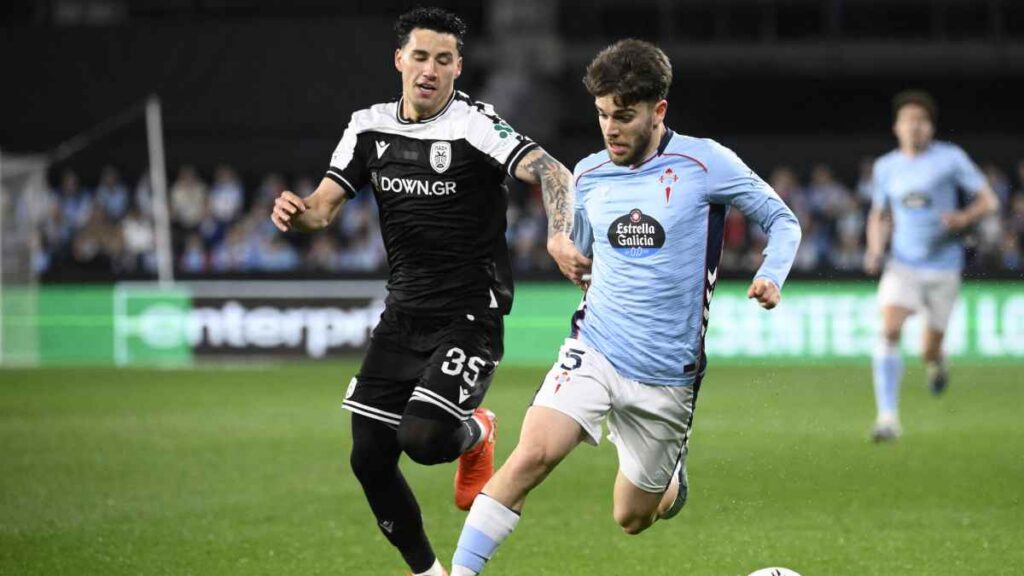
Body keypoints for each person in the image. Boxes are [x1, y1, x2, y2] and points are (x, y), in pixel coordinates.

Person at [450, 39, 801, 575]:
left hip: (666, 377)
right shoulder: (589, 174)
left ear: (658, 111)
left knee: (632, 517)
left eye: (624, 116)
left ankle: (670, 478)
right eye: (601, 115)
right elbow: (583, 251)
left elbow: (783, 221)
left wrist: (770, 275)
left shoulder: (705, 164)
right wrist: (568, 249)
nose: (610, 128)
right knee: (532, 456)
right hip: (596, 347)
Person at [268, 7, 588, 576]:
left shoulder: (475, 125)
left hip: (471, 312)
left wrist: (559, 236)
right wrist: (297, 214)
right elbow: (321, 209)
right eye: (420, 57)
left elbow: (553, 171)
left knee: (421, 438)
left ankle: (476, 431)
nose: (430, 70)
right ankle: (428, 573)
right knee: (368, 458)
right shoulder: (367, 127)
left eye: (444, 60)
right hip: (403, 314)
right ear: (399, 60)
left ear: (459, 68)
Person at [863, 90, 999, 442]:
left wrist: (964, 217)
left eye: (921, 122)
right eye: (908, 121)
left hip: (944, 267)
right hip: (903, 264)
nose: (915, 127)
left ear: (931, 128)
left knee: (928, 348)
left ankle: (937, 361)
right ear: (897, 127)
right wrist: (875, 249)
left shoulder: (950, 159)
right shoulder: (885, 167)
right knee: (889, 329)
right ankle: (888, 418)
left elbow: (989, 200)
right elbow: (879, 214)